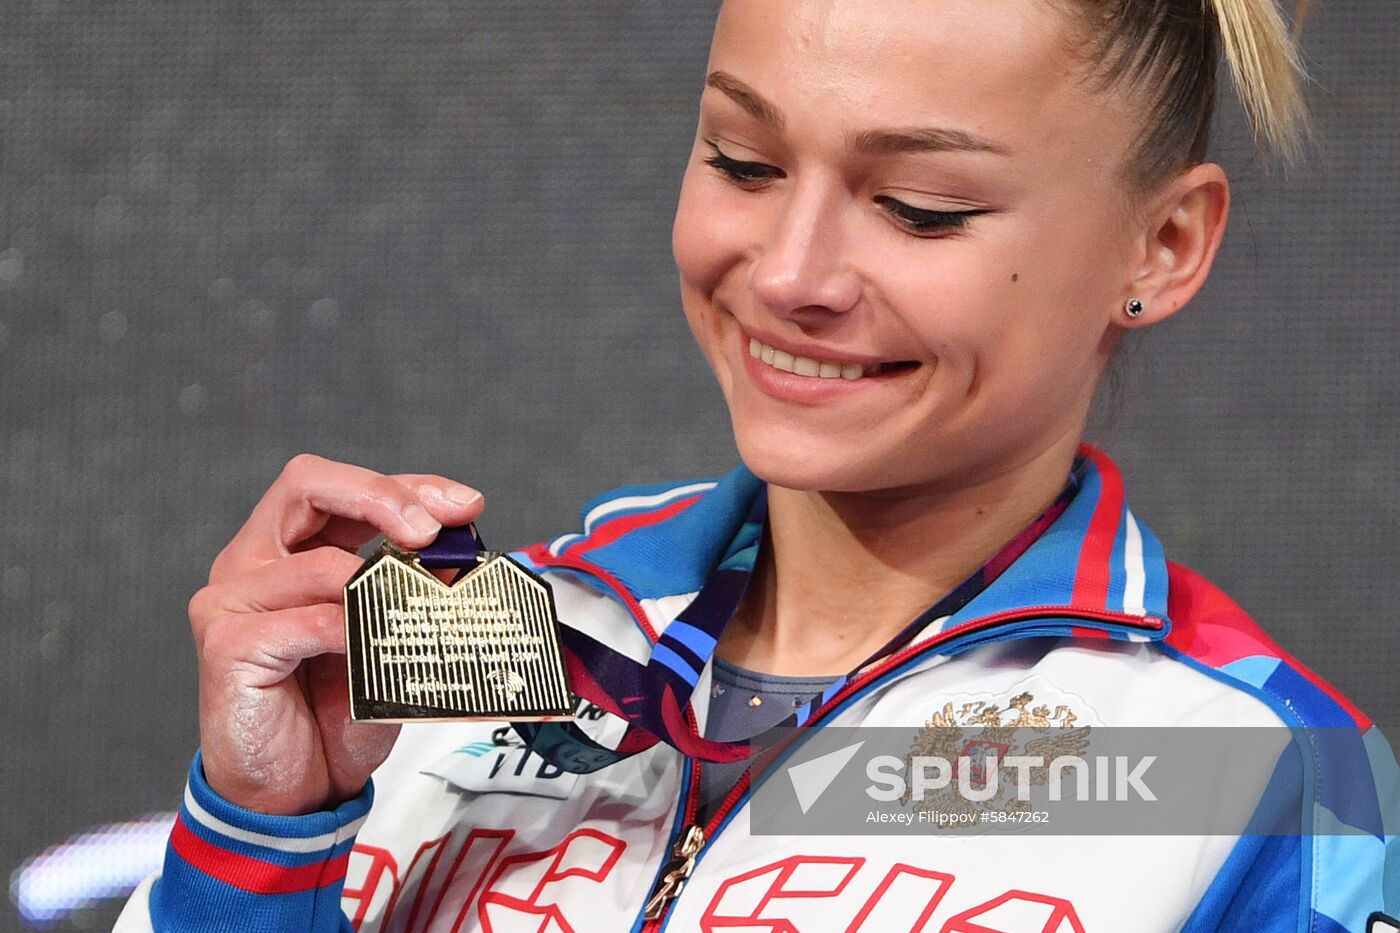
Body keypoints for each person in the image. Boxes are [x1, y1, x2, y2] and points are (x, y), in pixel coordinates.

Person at [117, 0, 1399, 930]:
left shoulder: (1269, 779)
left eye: (919, 208)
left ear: (1161, 244)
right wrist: (264, 839)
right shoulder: (473, 644)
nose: (788, 276)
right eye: (742, 161)